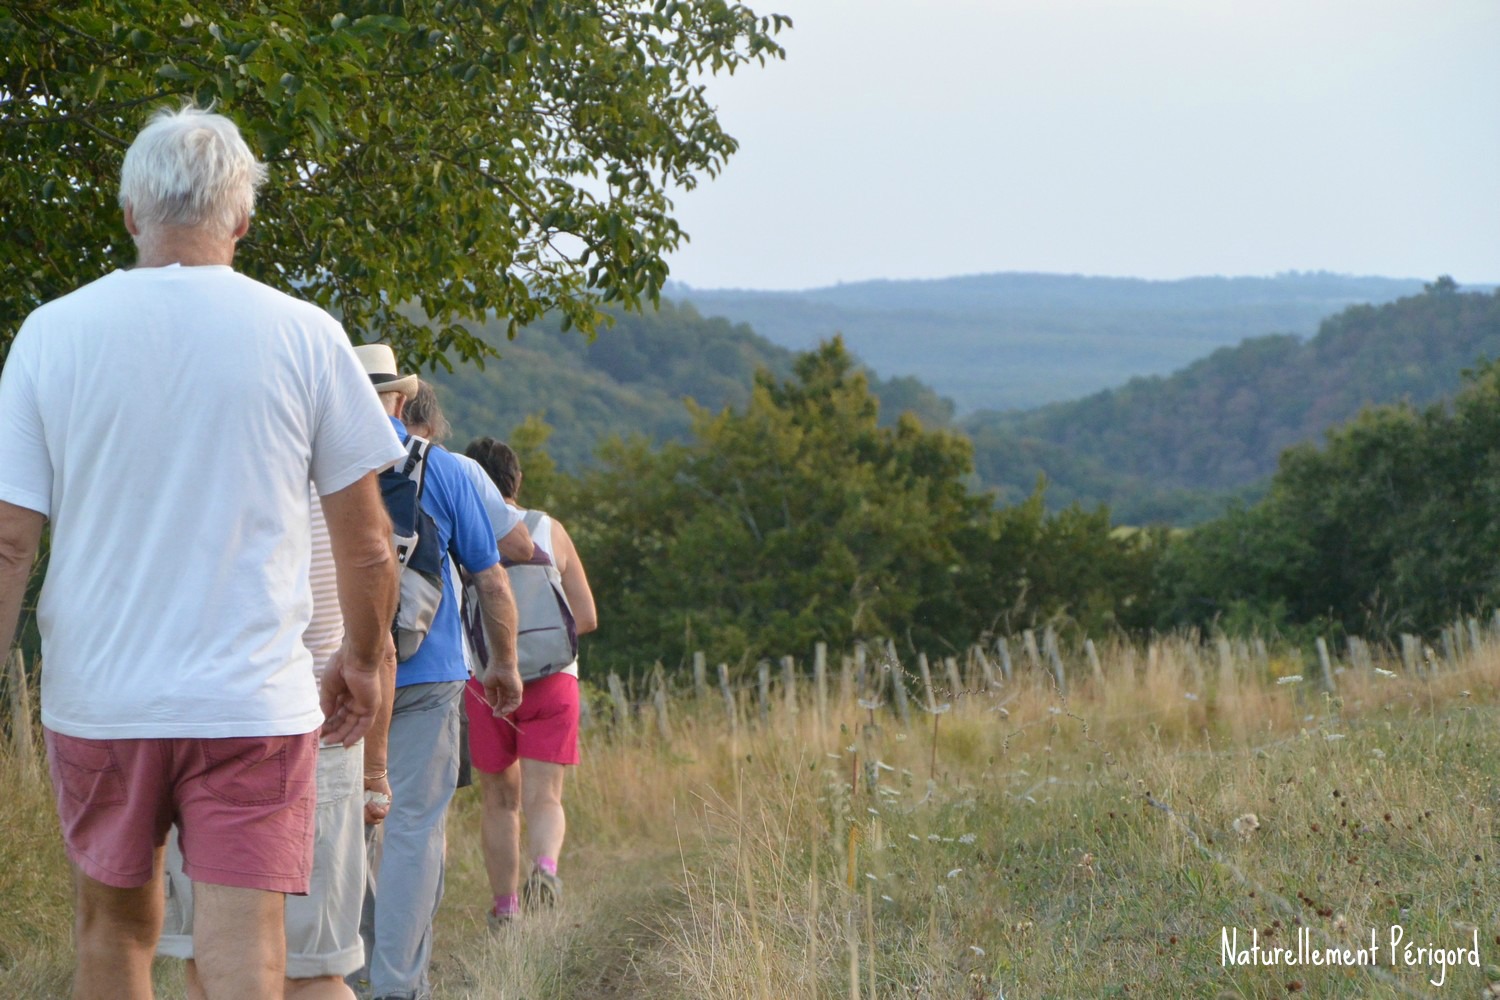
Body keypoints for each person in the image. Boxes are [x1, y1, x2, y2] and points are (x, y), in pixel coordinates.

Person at [0, 105, 404, 1000]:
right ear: (243, 221)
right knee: (247, 947)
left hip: (100, 696)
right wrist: (366, 663)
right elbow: (369, 543)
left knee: (112, 931)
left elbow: (8, 543)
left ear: (132, 215)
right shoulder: (305, 335)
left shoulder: (49, 334)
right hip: (252, 700)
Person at [156, 491, 395, 999]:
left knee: (209, 962)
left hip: (192, 721)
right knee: (312, 971)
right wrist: (375, 769)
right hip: (312, 721)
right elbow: (374, 569)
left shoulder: (186, 447)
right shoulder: (326, 445)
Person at [350, 346, 523, 1000]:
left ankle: (346, 972)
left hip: (342, 676)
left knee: (349, 828)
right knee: (414, 830)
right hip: (428, 673)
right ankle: (398, 986)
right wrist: (503, 664)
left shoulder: (318, 467)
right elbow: (492, 579)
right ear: (401, 399)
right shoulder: (443, 470)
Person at [462, 437, 598, 927]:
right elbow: (585, 617)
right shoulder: (547, 529)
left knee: (500, 800)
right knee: (546, 796)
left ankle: (506, 910)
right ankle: (545, 868)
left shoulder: (461, 534)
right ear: (516, 481)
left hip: (486, 683)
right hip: (552, 680)